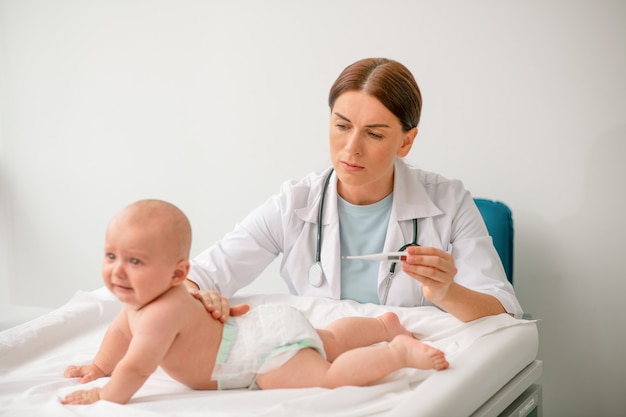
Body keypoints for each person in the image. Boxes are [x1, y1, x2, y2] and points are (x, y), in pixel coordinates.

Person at [186, 57, 523, 323]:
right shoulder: (296, 203)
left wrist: (447, 291)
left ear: (406, 141)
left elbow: (505, 311)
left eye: (374, 134)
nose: (351, 148)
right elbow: (199, 275)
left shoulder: (449, 201)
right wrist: (199, 293)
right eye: (342, 126)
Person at [61, 199, 448, 405]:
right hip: (262, 326)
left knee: (328, 375)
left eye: (135, 262)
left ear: (179, 274)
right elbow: (118, 335)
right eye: (111, 256)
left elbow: (135, 368)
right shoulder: (141, 305)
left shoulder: (160, 314)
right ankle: (382, 326)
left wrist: (103, 394)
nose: (117, 271)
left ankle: (397, 353)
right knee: (326, 340)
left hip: (259, 358)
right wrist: (98, 365)